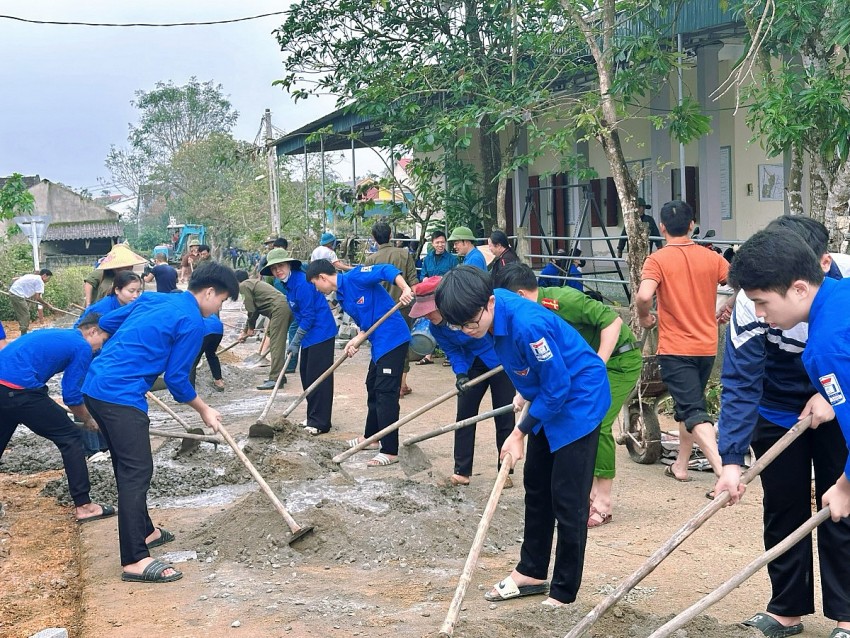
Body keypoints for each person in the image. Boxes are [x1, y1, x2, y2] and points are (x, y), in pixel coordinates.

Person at [435, 265, 610, 607]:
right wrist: (524, 390)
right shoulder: (486, 310)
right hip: (547, 396)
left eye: (472, 323)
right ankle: (531, 571)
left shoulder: (529, 324)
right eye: (460, 325)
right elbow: (525, 365)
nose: (469, 331)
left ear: (488, 303)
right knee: (536, 485)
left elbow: (559, 385)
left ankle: (563, 592)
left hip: (578, 400)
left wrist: (519, 432)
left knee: (568, 500)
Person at [724, 226, 850, 638]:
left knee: (841, 509)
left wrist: (845, 484)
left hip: (832, 399)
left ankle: (846, 613)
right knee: (784, 505)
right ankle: (787, 608)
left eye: (763, 303)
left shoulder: (828, 340)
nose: (759, 313)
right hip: (777, 409)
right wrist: (729, 458)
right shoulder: (765, 302)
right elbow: (741, 380)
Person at [82, 262, 239, 584]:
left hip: (95, 388)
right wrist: (205, 409)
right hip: (119, 395)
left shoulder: (158, 299)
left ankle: (146, 531)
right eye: (221, 301)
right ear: (209, 292)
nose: (218, 308)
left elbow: (109, 320)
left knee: (128, 468)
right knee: (137, 473)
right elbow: (179, 381)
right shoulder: (194, 322)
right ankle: (135, 560)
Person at [495, 262, 641, 527]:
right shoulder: (522, 322)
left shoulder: (559, 301)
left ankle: (603, 500)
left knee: (599, 421)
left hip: (618, 361)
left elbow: (613, 321)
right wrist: (522, 392)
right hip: (579, 372)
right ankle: (587, 492)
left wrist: (598, 365)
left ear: (517, 296)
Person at [635, 200, 728, 480]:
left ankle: (724, 471)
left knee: (694, 409)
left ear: (661, 227)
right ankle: (681, 465)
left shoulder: (658, 259)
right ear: (691, 225)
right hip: (706, 347)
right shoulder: (711, 257)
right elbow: (741, 281)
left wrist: (643, 317)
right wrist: (727, 306)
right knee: (689, 405)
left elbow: (643, 295)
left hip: (676, 349)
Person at [0, 313, 115, 523]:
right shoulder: (81, 346)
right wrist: (88, 419)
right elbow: (71, 396)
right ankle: (84, 506)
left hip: (4, 386)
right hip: (20, 390)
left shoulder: (63, 336)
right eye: (104, 340)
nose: (101, 348)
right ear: (92, 331)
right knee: (71, 437)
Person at [306, 259, 413, 466]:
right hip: (378, 343)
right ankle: (371, 437)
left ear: (322, 277)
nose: (317, 290)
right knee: (372, 386)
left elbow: (386, 269)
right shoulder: (343, 297)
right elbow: (367, 323)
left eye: (315, 284)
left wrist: (405, 288)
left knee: (385, 393)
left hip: (393, 338)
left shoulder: (355, 277)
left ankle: (390, 450)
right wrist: (357, 339)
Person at [410, 276, 515, 487]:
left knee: (503, 414)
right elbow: (453, 351)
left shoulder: (465, 310)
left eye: (428, 311)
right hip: (472, 364)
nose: (427, 317)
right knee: (464, 415)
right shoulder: (436, 328)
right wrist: (460, 374)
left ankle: (505, 470)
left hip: (500, 360)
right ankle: (462, 471)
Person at [263, 249, 337, 435]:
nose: (278, 270)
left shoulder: (301, 283)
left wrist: (295, 340)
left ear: (289, 265)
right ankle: (313, 416)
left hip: (321, 332)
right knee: (306, 374)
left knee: (318, 378)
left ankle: (321, 422)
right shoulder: (287, 284)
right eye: (274, 268)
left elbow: (309, 316)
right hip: (310, 336)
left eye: (280, 266)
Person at [74, 270, 144, 460]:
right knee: (84, 395)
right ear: (117, 290)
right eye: (131, 291)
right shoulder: (102, 310)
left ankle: (105, 446)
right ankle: (91, 450)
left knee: (106, 400)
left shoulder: (130, 308)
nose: (135, 295)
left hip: (108, 360)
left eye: (138, 291)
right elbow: (82, 334)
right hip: (88, 356)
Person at [365, 222, 420, 398]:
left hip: (379, 313)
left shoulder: (371, 260)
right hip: (402, 308)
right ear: (390, 236)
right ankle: (402, 384)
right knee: (402, 346)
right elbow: (414, 282)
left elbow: (367, 288)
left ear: (374, 238)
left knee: (381, 345)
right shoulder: (404, 254)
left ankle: (387, 381)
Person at [234, 270, 292, 391]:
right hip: (281, 308)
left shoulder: (243, 286)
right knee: (273, 337)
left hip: (279, 310)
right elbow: (253, 309)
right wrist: (246, 330)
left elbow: (251, 308)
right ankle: (281, 375)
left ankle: (275, 379)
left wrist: (250, 328)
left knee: (276, 344)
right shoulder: (252, 283)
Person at [9, 269, 53, 334]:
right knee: (25, 315)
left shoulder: (32, 276)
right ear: (44, 275)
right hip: (18, 295)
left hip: (13, 292)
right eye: (48, 278)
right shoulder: (40, 281)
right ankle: (24, 335)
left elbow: (14, 279)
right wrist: (47, 304)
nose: (48, 280)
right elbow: (37, 297)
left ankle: (24, 330)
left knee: (22, 314)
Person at [190, 313, 225, 392]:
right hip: (218, 329)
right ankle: (219, 381)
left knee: (192, 360)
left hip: (205, 330)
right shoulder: (203, 306)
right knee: (211, 354)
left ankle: (189, 391)